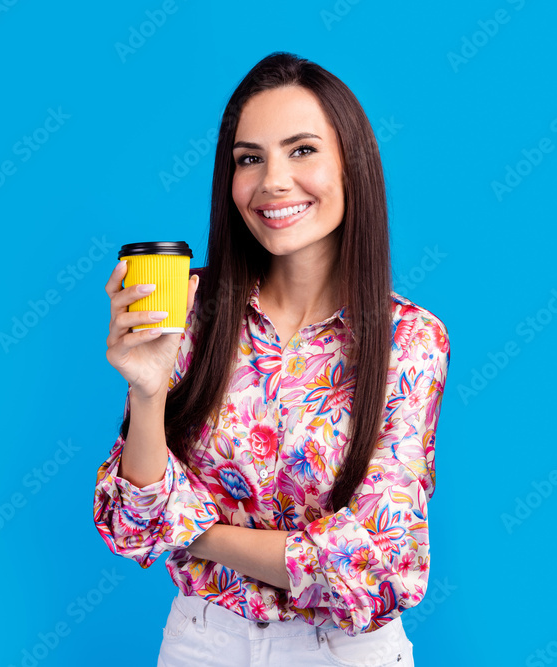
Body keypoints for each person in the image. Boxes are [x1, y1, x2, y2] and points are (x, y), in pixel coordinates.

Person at [96, 51, 449, 667]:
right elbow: (132, 521)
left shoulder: (411, 340)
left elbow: (377, 563)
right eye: (249, 159)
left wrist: (195, 530)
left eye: (302, 150)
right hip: (202, 641)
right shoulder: (190, 310)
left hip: (343, 650)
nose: (272, 181)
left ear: (352, 164)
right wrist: (147, 393)